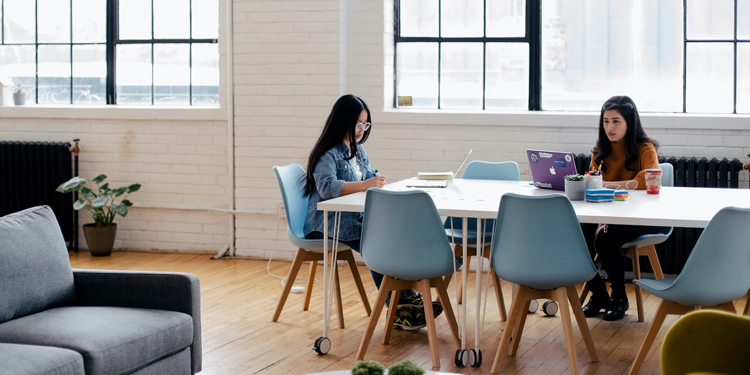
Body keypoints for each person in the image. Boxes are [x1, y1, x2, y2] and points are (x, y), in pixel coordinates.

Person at [303, 94, 443, 330]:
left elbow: (365, 177)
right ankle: (399, 306)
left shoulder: (358, 151)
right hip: (325, 225)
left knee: (392, 233)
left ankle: (406, 301)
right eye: (357, 123)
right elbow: (327, 188)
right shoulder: (328, 153)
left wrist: (373, 180)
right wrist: (366, 184)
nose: (361, 129)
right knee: (378, 242)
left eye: (365, 124)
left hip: (352, 219)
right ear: (342, 120)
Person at [581, 95, 671, 321]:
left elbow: (651, 179)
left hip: (640, 216)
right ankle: (599, 293)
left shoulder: (644, 148)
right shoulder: (600, 149)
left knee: (604, 239)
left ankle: (619, 297)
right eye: (605, 121)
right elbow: (592, 179)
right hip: (606, 213)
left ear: (629, 122)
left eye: (616, 121)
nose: (609, 127)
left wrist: (611, 185)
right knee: (576, 235)